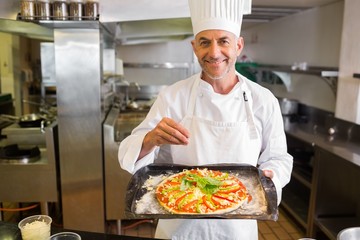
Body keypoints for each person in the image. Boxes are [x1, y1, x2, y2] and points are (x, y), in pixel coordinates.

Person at [118, 0, 293, 239]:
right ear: (194, 47)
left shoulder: (263, 99)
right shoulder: (173, 96)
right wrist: (149, 140)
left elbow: (278, 157)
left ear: (238, 45)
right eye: (204, 42)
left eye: (223, 41)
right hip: (179, 226)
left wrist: (270, 177)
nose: (213, 52)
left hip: (238, 227)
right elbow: (131, 149)